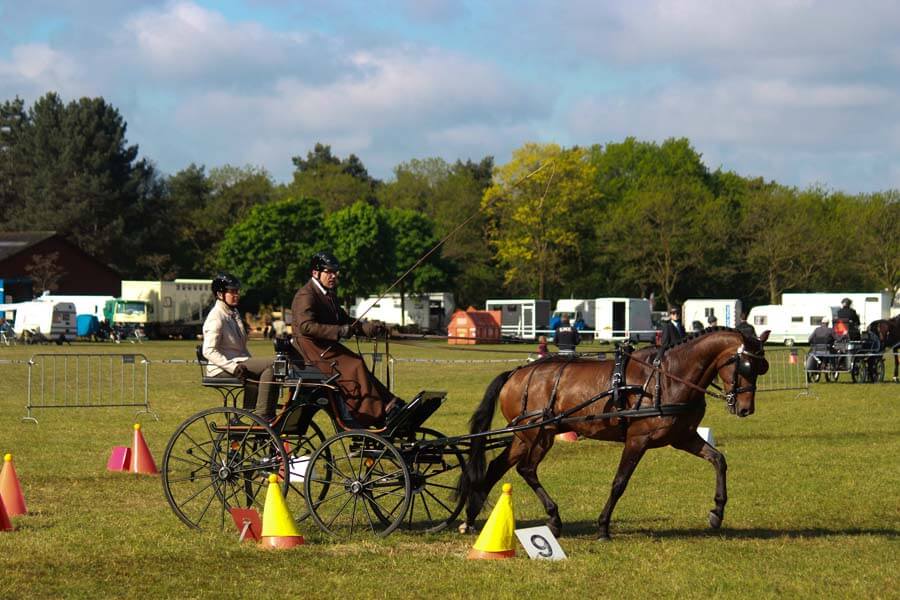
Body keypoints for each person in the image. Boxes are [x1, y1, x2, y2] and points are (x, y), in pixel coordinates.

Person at [291, 252, 401, 426]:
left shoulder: (329, 294)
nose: (333, 276)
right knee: (355, 364)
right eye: (329, 272)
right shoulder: (306, 295)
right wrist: (339, 331)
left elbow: (346, 320)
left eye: (335, 272)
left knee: (358, 363)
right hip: (312, 351)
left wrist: (369, 329)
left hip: (326, 348)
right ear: (315, 273)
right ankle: (372, 413)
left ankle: (390, 402)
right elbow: (306, 327)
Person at [202, 273, 279, 421]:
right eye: (232, 292)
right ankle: (262, 416)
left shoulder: (233, 312)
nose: (236, 295)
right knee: (275, 363)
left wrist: (250, 364)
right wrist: (233, 368)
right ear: (220, 294)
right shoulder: (216, 317)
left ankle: (257, 413)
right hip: (221, 368)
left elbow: (240, 348)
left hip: (239, 361)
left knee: (273, 368)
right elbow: (208, 350)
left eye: (237, 291)